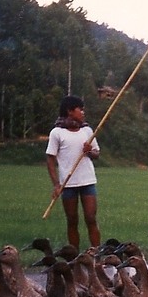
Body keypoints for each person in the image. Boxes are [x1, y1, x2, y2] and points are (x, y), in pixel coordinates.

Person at [46, 95, 101, 248]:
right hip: (68, 184)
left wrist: (90, 151)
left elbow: (96, 154)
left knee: (91, 218)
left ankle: (97, 255)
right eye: (80, 109)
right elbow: (50, 159)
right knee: (72, 220)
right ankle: (74, 258)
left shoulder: (87, 130)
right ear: (70, 111)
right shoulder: (57, 133)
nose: (83, 112)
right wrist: (56, 184)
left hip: (88, 181)